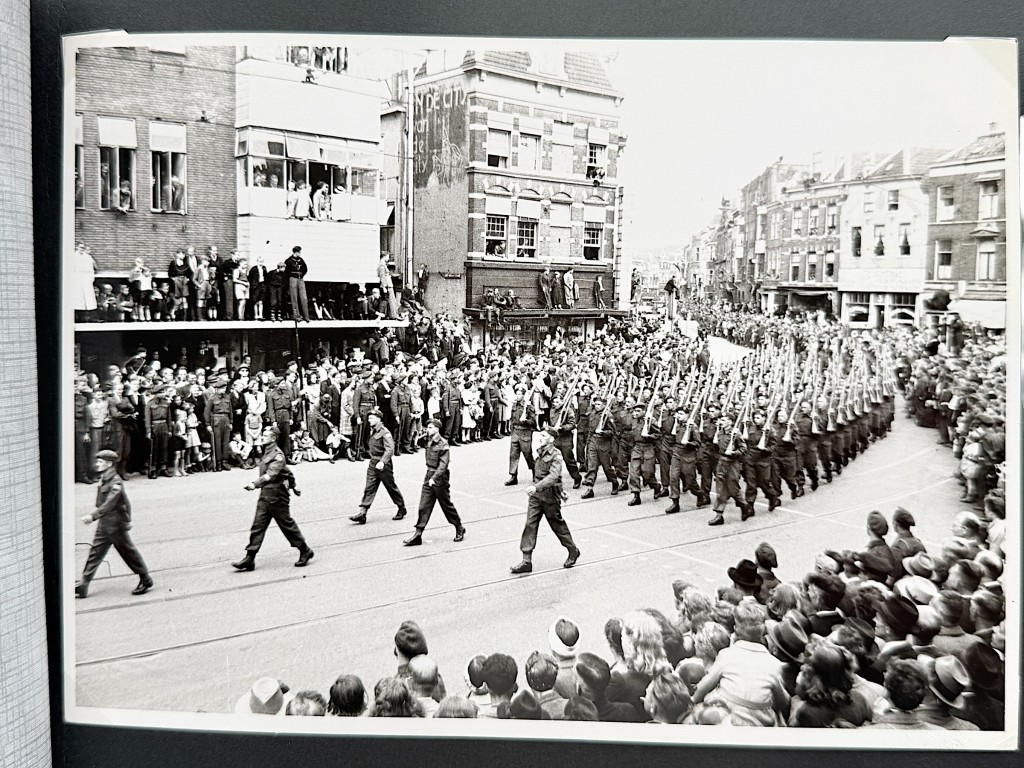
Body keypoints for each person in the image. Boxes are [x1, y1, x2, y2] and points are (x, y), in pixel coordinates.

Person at [231, 425, 314, 571]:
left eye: (265, 435)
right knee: (258, 526)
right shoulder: (267, 452)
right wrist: (294, 486)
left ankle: (305, 550)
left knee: (287, 525)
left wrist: (254, 484)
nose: (262, 437)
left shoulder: (277, 455)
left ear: (273, 438)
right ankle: (250, 558)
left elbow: (271, 475)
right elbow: (287, 472)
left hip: (277, 497)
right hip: (265, 495)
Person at [75, 450, 153, 598]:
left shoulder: (115, 481)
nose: (97, 463)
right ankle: (84, 585)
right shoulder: (105, 477)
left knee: (128, 553)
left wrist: (92, 516)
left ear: (109, 463)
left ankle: (146, 578)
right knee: (95, 553)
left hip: (115, 524)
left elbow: (110, 503)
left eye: (100, 461)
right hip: (106, 523)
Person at [510, 426, 581, 574]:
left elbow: (554, 476)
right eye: (540, 435)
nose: (540, 438)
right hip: (536, 497)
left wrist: (547, 489)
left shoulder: (556, 455)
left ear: (552, 439)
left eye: (543, 436)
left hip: (549, 496)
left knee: (558, 526)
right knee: (530, 525)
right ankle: (526, 561)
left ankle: (572, 550)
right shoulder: (540, 452)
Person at [402, 419, 465, 546]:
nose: (428, 430)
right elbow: (418, 443)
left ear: (437, 429)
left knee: (446, 505)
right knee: (423, 506)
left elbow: (443, 465)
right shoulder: (428, 439)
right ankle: (418, 534)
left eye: (430, 427)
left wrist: (434, 478)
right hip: (429, 475)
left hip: (439, 478)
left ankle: (459, 527)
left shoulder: (443, 444)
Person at [349, 409, 408, 524]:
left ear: (378, 419)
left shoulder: (384, 432)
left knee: (391, 487)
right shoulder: (372, 430)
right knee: (369, 487)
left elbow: (390, 449)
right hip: (373, 462)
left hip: (383, 464)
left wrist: (383, 461)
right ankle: (363, 513)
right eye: (369, 418)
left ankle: (401, 508)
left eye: (371, 418)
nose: (369, 420)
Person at [285, 245, 310, 322]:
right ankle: (297, 316)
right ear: (295, 252)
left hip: (300, 279)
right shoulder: (288, 260)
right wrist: (292, 276)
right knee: (294, 297)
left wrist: (302, 275)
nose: (300, 254)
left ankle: (306, 316)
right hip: (293, 279)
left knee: (304, 297)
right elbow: (286, 272)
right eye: (299, 252)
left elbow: (305, 269)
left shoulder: (301, 260)